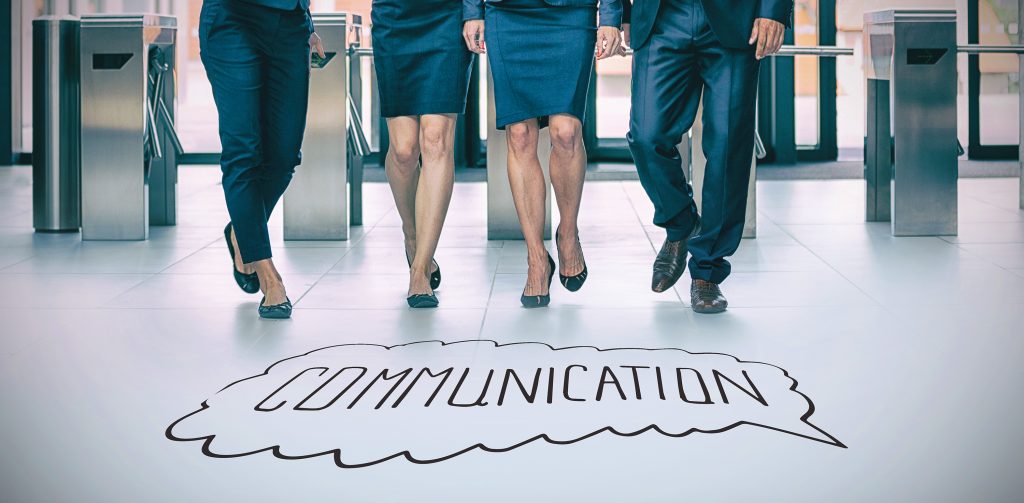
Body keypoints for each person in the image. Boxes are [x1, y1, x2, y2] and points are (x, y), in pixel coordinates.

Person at [623, 0, 790, 314]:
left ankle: (707, 270)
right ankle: (681, 222)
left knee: (728, 145)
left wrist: (774, 10)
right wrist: (621, 12)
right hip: (660, 17)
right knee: (646, 136)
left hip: (735, 18)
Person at [463, 0, 622, 308]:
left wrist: (610, 15)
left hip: (571, 13)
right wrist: (472, 11)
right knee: (519, 134)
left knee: (566, 132)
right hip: (507, 15)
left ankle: (568, 233)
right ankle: (536, 257)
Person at [199, 0, 325, 319]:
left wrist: (307, 22)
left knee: (284, 157)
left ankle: (241, 233)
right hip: (233, 20)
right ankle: (270, 279)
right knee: (243, 150)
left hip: (291, 23)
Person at [373, 0, 476, 308]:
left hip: (447, 17)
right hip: (394, 17)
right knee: (404, 150)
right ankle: (412, 233)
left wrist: (473, 13)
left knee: (436, 140)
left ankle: (419, 270)